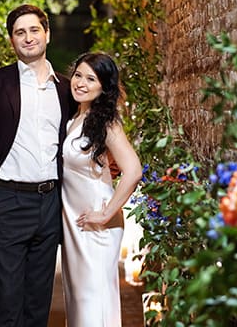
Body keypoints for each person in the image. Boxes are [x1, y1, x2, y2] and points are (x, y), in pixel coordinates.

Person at [0, 4, 76, 327]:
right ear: (12, 40)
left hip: (50, 203)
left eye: (34, 30)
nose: (28, 38)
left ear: (47, 34)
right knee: (10, 300)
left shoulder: (66, 88)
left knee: (39, 301)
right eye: (20, 32)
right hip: (8, 202)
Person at [61, 52, 143, 327]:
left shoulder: (106, 122)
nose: (81, 83)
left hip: (96, 223)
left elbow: (133, 170)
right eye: (78, 75)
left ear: (103, 87)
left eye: (91, 78)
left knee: (91, 302)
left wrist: (106, 214)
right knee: (79, 301)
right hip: (75, 222)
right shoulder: (76, 119)